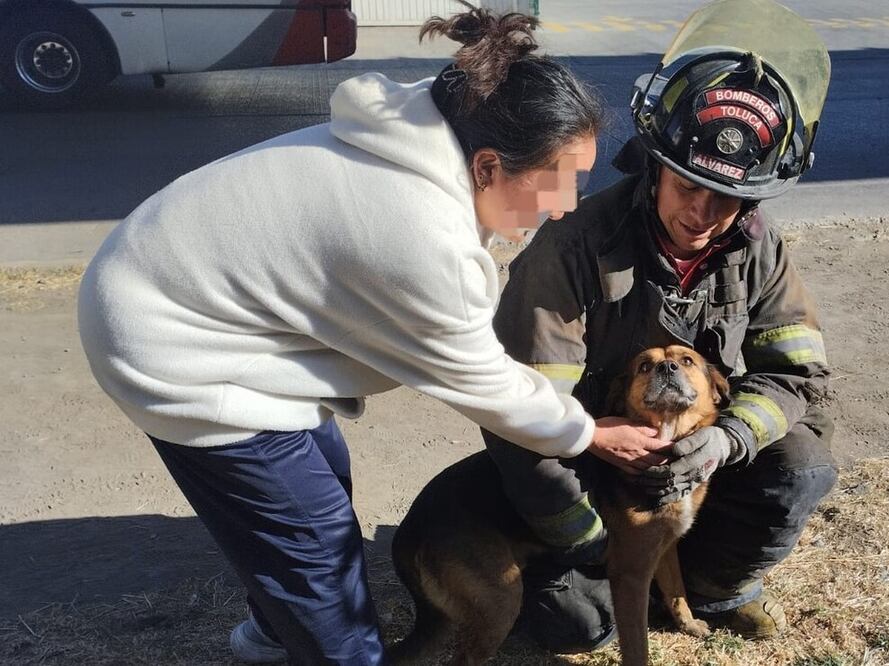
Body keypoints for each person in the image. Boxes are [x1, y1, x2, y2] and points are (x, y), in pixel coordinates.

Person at [76, 6, 670, 665]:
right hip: (167, 343)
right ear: (486, 167)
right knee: (318, 546)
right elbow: (482, 381)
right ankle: (327, 643)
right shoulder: (417, 236)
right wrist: (588, 432)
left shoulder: (437, 118)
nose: (564, 204)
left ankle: (273, 629)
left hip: (181, 283)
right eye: (558, 180)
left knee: (320, 476)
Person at [481, 0, 839, 651]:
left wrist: (726, 440)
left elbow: (796, 376)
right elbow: (516, 411)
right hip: (581, 462)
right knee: (581, 627)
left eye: (726, 198)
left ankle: (712, 587)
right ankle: (590, 567)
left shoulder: (757, 245)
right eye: (686, 187)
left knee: (803, 464)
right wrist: (594, 455)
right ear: (653, 166)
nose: (701, 213)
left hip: (690, 447)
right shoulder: (572, 247)